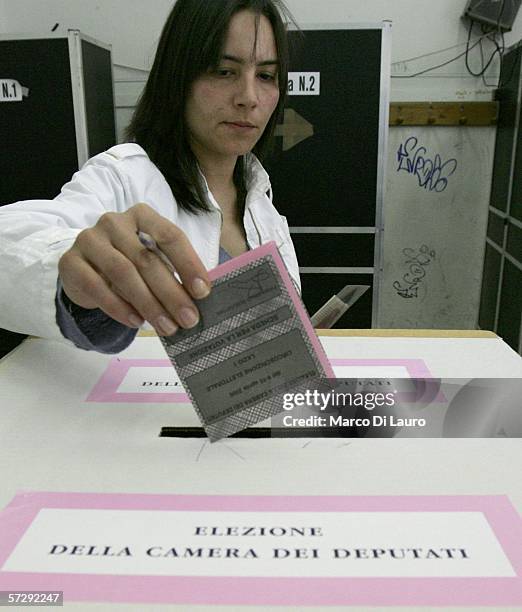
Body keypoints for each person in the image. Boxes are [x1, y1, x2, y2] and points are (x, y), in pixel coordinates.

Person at [0, 0, 300, 354]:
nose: (249, 98)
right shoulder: (124, 177)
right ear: (178, 76)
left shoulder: (258, 197)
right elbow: (10, 244)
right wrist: (70, 266)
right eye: (223, 71)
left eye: (266, 76)